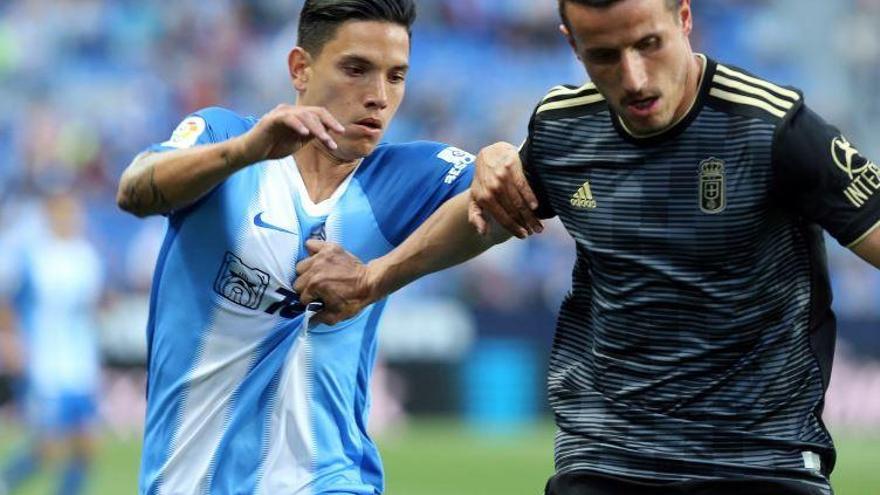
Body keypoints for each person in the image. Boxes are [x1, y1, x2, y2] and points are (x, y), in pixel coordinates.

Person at [292, 0, 880, 494]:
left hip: (760, 460)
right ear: (571, 44)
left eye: (649, 44)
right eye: (604, 55)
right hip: (604, 459)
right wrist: (374, 279)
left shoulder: (773, 127)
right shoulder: (563, 127)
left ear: (684, 19)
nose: (634, 78)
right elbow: (488, 217)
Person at [115, 0, 475, 493]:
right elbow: (134, 189)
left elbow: (507, 200)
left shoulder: (408, 177)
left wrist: (497, 156)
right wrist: (244, 153)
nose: (378, 96)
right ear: (300, 68)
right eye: (356, 69)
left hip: (332, 480)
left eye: (396, 76)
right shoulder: (228, 139)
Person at [0, 191, 104, 495]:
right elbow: (8, 302)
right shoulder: (35, 256)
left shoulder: (86, 255)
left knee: (86, 445)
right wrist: (13, 340)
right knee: (50, 446)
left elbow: (94, 305)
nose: (70, 218)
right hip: (46, 362)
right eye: (63, 212)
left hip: (81, 362)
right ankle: (6, 481)